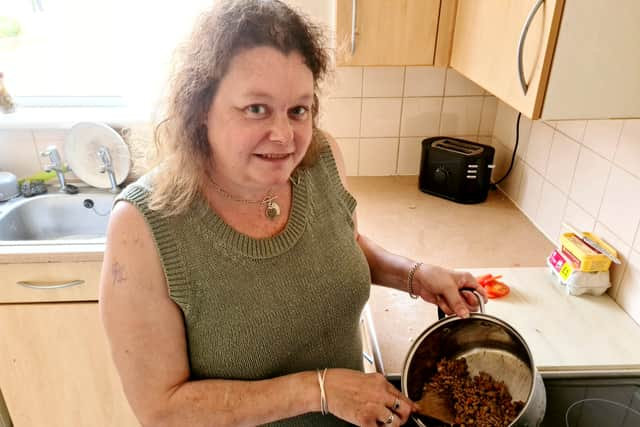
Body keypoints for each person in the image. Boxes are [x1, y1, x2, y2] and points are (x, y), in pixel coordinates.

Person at [99, 1, 487, 426]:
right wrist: (319, 390)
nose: (284, 135)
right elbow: (162, 410)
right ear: (201, 108)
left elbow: (340, 243)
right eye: (256, 109)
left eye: (298, 110)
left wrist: (412, 274)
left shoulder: (321, 158)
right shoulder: (143, 225)